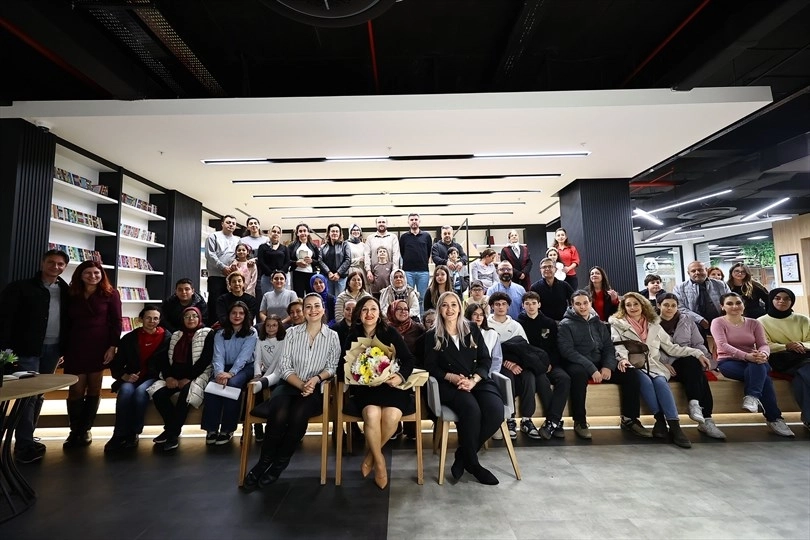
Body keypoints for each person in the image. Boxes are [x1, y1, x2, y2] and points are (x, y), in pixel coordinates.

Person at [242, 293, 340, 489]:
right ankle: (263, 463)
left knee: (297, 415)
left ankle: (278, 465)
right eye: (308, 307)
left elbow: (331, 367)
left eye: (317, 306)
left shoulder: (332, 336)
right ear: (303, 311)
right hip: (289, 385)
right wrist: (301, 385)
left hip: (314, 388)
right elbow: (285, 367)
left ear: (323, 309)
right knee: (279, 413)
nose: (313, 310)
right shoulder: (292, 333)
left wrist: (315, 380)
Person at [609, 293, 713, 448]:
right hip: (633, 365)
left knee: (660, 382)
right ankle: (660, 421)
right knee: (645, 382)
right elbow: (618, 346)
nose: (632, 308)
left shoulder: (654, 325)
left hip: (654, 365)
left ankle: (675, 426)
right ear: (623, 308)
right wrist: (623, 359)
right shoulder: (617, 324)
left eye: (635, 304)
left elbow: (672, 348)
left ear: (642, 305)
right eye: (628, 305)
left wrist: (697, 353)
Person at [425, 291, 502, 485]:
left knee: (495, 411)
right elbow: (430, 366)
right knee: (471, 409)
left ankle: (462, 456)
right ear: (439, 309)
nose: (449, 309)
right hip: (450, 384)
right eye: (445, 305)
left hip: (477, 380)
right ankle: (474, 464)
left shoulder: (472, 329)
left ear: (460, 308)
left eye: (453, 304)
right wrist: (450, 377)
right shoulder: (432, 336)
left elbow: (485, 359)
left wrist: (474, 380)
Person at [0, 249, 69, 463]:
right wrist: (5, 350)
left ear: (65, 267)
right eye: (51, 262)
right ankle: (24, 445)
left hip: (53, 349)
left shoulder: (67, 291)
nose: (55, 267)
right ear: (42, 263)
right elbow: (5, 319)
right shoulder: (20, 288)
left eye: (60, 264)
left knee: (39, 394)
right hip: (26, 350)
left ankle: (28, 437)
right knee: (28, 397)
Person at [338, 297, 414, 489]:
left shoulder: (390, 332)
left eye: (373, 309)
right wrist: (359, 373)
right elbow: (341, 368)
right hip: (366, 389)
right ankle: (380, 465)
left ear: (379, 314)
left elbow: (408, 360)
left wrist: (399, 377)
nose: (369, 313)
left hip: (391, 387)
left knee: (392, 416)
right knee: (372, 414)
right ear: (359, 315)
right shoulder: (352, 336)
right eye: (365, 310)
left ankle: (371, 457)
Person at [558, 289, 651, 440]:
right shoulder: (565, 324)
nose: (582, 307)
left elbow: (608, 347)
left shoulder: (599, 324)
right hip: (578, 363)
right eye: (578, 304)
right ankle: (580, 421)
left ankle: (630, 419)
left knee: (630, 374)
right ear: (572, 305)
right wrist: (592, 369)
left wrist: (608, 366)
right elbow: (568, 351)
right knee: (578, 375)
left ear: (590, 303)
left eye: (585, 303)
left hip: (600, 362)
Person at [488, 292, 569, 441]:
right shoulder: (487, 324)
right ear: (492, 306)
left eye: (504, 304)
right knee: (509, 378)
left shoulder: (516, 325)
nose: (500, 307)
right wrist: (507, 363)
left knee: (530, 376)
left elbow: (524, 349)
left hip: (524, 363)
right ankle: (510, 419)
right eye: (497, 304)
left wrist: (545, 363)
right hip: (498, 364)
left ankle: (528, 419)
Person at [712, 292, 794, 437]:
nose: (735, 306)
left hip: (755, 360)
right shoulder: (718, 322)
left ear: (743, 305)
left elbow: (763, 344)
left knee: (759, 367)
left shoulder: (754, 323)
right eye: (729, 303)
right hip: (729, 361)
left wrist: (764, 354)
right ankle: (774, 418)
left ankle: (752, 397)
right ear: (722, 307)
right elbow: (722, 345)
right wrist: (746, 356)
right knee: (764, 378)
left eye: (738, 303)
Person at [62, 261, 122, 448]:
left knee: (94, 388)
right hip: (75, 346)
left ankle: (86, 429)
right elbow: (65, 322)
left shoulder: (111, 294)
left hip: (99, 347)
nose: (93, 276)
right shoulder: (71, 293)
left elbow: (117, 321)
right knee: (75, 390)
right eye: (88, 273)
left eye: (96, 273)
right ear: (80, 275)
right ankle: (74, 430)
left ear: (101, 274)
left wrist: (113, 346)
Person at [657, 293, 726, 439]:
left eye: (673, 305)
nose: (669, 308)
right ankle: (704, 416)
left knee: (695, 367)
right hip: (666, 364)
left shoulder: (687, 320)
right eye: (666, 305)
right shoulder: (651, 323)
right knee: (696, 372)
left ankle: (699, 410)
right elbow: (650, 349)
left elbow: (698, 343)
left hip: (688, 360)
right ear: (659, 306)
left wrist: (704, 358)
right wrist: (662, 363)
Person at [148, 306, 214, 451]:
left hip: (197, 375)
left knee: (186, 394)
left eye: (194, 316)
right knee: (158, 394)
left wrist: (188, 378)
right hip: (174, 376)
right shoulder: (176, 335)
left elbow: (205, 360)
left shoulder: (207, 333)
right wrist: (168, 377)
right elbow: (165, 359)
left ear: (199, 318)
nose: (191, 319)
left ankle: (172, 435)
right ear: (182, 319)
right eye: (187, 316)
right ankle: (171, 429)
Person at [106, 305, 169, 452]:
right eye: (148, 318)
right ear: (141, 319)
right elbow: (117, 363)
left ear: (160, 320)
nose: (152, 321)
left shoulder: (167, 337)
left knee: (141, 393)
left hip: (154, 377)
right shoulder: (129, 338)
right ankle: (119, 434)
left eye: (155, 318)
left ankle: (133, 433)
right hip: (131, 376)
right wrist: (125, 376)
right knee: (125, 392)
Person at [202, 301, 258, 445]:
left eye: (241, 313)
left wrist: (231, 373)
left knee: (232, 385)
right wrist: (219, 373)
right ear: (228, 315)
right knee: (211, 388)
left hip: (245, 367)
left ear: (245, 315)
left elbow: (244, 356)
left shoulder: (252, 332)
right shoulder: (220, 333)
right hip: (223, 367)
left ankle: (227, 429)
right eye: (234, 313)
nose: (237, 316)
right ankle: (211, 429)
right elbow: (218, 355)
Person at [517, 291, 569, 438]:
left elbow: (555, 347)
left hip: (550, 364)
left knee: (564, 379)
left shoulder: (549, 323)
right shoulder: (518, 323)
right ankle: (555, 423)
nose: (531, 306)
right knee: (542, 381)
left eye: (534, 303)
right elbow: (521, 349)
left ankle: (552, 420)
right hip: (532, 366)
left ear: (539, 304)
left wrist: (551, 363)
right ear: (523, 306)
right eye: (527, 303)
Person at [758, 288, 810, 431]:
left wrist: (801, 345)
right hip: (780, 358)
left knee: (801, 379)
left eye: (787, 298)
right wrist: (786, 346)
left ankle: (808, 419)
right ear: (771, 300)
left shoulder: (803, 319)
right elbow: (763, 345)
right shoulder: (761, 321)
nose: (782, 301)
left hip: (804, 355)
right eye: (778, 298)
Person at [672, 261, 731, 349]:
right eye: (693, 271)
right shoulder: (679, 288)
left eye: (700, 270)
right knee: (696, 331)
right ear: (688, 273)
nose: (697, 273)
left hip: (719, 318)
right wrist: (700, 320)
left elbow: (730, 301)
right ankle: (705, 353)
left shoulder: (721, 285)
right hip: (694, 321)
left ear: (706, 270)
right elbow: (680, 308)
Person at [251, 314, 287, 442]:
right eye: (268, 325)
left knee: (278, 394)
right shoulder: (260, 340)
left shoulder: (283, 341)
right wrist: (257, 375)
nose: (271, 328)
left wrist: (265, 379)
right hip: (264, 373)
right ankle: (257, 427)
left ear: (279, 326)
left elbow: (278, 363)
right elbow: (257, 360)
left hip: (279, 373)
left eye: (274, 325)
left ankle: (275, 427)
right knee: (256, 393)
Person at [205, 215, 240, 325]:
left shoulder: (238, 240)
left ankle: (229, 326)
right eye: (228, 222)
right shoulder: (213, 236)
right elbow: (210, 255)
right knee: (215, 303)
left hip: (231, 277)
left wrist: (235, 263)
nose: (231, 225)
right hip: (216, 276)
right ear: (222, 224)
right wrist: (223, 267)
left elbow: (239, 255)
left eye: (233, 223)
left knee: (230, 304)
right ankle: (214, 328)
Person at [399, 213, 432, 311]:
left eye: (416, 219)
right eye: (412, 220)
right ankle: (409, 318)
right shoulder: (404, 237)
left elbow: (428, 251)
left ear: (419, 221)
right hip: (408, 271)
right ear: (408, 222)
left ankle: (422, 318)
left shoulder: (426, 236)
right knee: (408, 297)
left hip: (423, 271)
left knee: (422, 298)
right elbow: (402, 252)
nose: (414, 221)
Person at [530, 257, 574, 322]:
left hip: (563, 322)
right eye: (544, 267)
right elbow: (532, 307)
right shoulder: (535, 287)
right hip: (543, 323)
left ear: (555, 269)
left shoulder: (564, 285)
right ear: (540, 270)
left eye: (550, 266)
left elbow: (573, 301)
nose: (547, 269)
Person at [288, 222, 321, 298]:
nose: (303, 233)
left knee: (311, 295)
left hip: (311, 274)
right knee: (298, 296)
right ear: (297, 233)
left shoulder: (313, 246)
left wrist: (312, 261)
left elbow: (319, 261)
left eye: (304, 231)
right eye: (300, 231)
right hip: (297, 274)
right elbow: (287, 260)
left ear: (308, 233)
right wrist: (296, 263)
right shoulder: (292, 246)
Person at [256, 224, 290, 295]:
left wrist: (280, 274)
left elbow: (287, 262)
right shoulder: (262, 247)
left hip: (281, 278)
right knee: (268, 298)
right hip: (267, 278)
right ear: (269, 233)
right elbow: (261, 262)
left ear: (280, 235)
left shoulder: (284, 248)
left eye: (278, 232)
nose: (276, 234)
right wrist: (272, 274)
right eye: (274, 231)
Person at [365, 216, 400, 283]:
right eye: (379, 222)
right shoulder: (370, 238)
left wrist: (394, 272)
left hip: (389, 273)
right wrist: (368, 270)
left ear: (387, 224)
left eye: (383, 222)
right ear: (376, 224)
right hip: (374, 273)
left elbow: (396, 255)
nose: (381, 224)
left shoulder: (393, 237)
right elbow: (367, 255)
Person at [320, 223, 351, 296]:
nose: (335, 233)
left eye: (337, 231)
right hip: (327, 277)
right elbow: (320, 261)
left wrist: (338, 273)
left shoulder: (345, 245)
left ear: (340, 233)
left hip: (341, 277)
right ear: (329, 233)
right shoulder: (323, 247)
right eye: (333, 231)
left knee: (340, 299)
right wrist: (329, 272)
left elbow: (348, 260)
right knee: (328, 298)